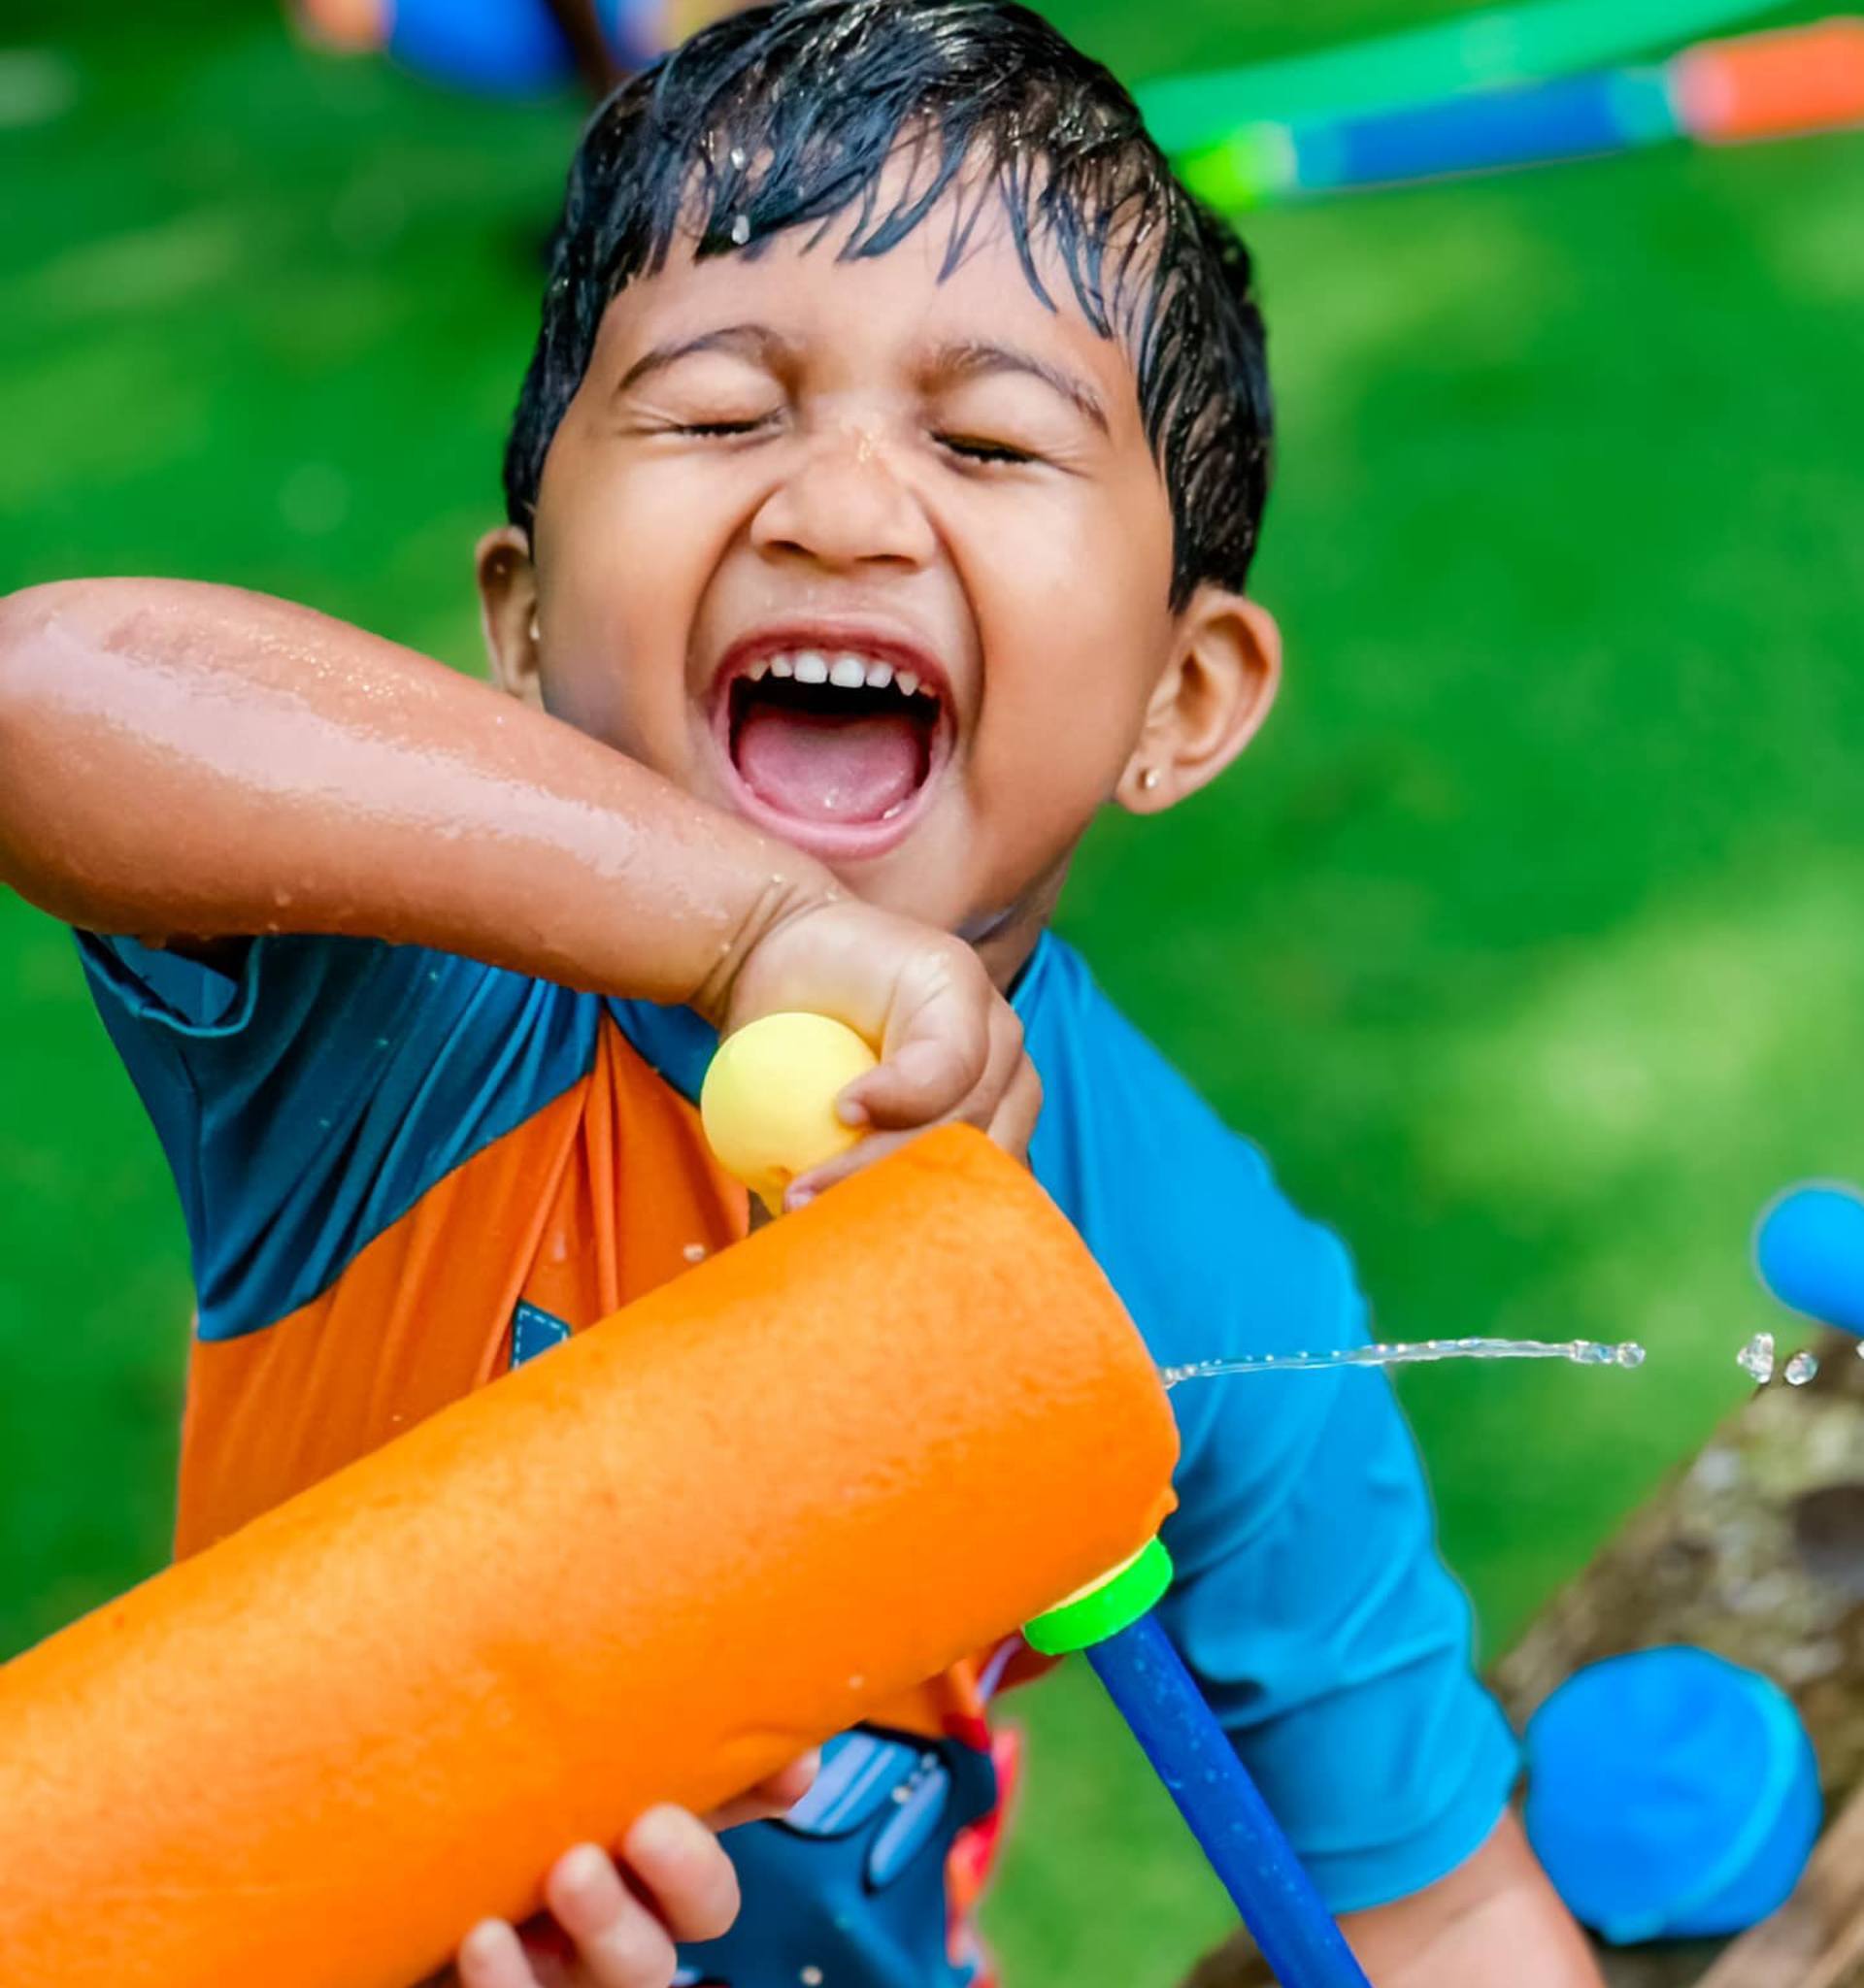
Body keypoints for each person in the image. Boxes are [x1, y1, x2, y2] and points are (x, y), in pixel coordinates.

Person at [0, 4, 1603, 1982]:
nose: (835, 508)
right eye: (716, 412)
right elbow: (49, 694)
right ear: (518, 620)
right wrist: (744, 928)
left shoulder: (1196, 1290)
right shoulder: (408, 1018)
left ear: (1179, 701)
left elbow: (1431, 1904)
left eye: (989, 437)